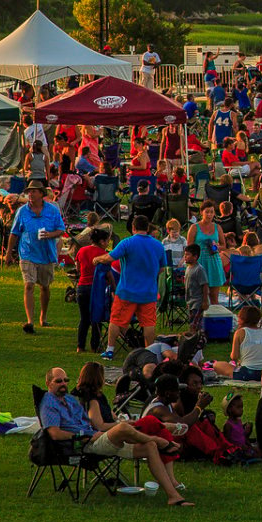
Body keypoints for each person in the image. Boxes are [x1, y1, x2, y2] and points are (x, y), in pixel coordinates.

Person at [37, 367, 192, 505]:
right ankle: (162, 441)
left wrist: (98, 430)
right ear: (48, 382)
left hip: (97, 437)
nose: (63, 383)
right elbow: (54, 433)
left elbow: (88, 422)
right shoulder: (48, 403)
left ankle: (173, 496)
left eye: (65, 380)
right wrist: (84, 435)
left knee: (149, 446)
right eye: (58, 381)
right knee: (124, 427)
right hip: (83, 444)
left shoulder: (69, 400)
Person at [7, 180, 65, 334]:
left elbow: (61, 230)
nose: (30, 194)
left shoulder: (52, 210)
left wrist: (50, 235)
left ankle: (43, 317)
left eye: (34, 191)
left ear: (41, 194)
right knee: (29, 285)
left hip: (46, 253)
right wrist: (8, 253)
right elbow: (14, 233)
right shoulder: (22, 211)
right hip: (27, 253)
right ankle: (29, 321)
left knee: (44, 287)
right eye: (29, 191)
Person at [105, 215, 166, 354]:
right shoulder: (158, 245)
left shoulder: (127, 243)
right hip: (148, 293)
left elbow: (111, 257)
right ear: (148, 228)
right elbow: (162, 268)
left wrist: (97, 259)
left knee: (116, 320)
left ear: (133, 227)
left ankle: (110, 349)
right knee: (148, 323)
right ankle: (149, 351)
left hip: (127, 292)